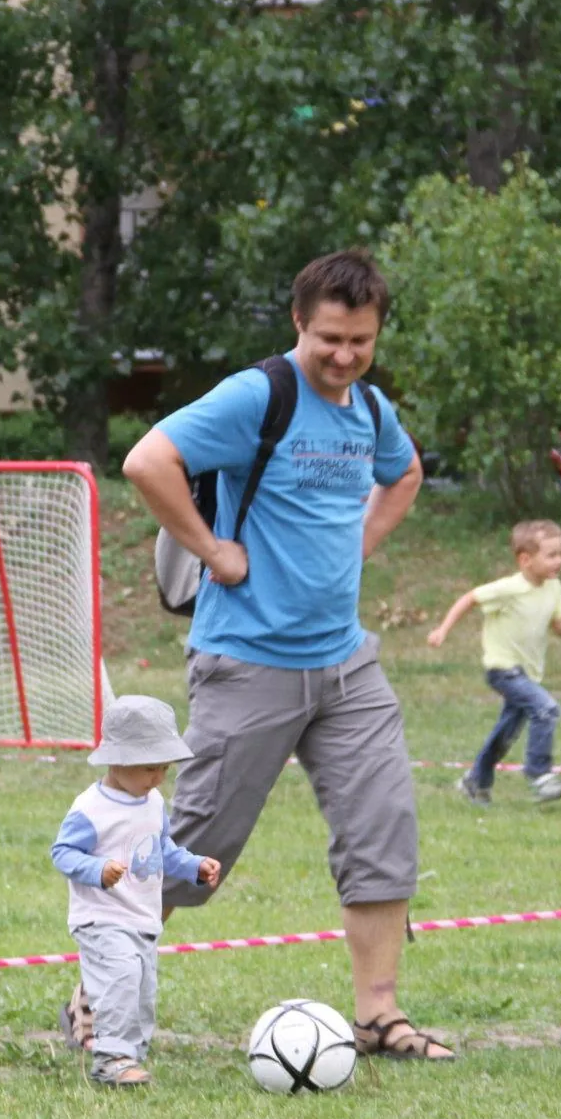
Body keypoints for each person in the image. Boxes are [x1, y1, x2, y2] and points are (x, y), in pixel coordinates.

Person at [111, 248, 454, 1061]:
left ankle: (379, 1014)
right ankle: (97, 999)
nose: (344, 356)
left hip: (347, 665)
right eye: (330, 337)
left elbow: (402, 475)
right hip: (247, 661)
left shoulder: (369, 410)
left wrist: (359, 543)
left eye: (360, 341)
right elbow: (147, 460)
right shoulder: (257, 395)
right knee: (195, 851)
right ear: (300, 322)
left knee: (384, 829)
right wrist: (212, 549)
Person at [51, 696, 221, 1088]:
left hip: (142, 916)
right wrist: (97, 870)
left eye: (164, 767)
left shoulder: (153, 801)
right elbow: (62, 853)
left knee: (143, 990)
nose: (158, 777)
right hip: (101, 917)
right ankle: (112, 1059)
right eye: (149, 768)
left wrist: (193, 865)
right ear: (117, 760)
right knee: (121, 980)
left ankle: (132, 1056)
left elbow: (160, 850)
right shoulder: (91, 809)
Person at [426, 518, 561, 805]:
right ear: (525, 560)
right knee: (546, 709)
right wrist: (442, 630)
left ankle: (475, 781)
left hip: (528, 674)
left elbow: (560, 630)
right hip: (503, 669)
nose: (559, 561)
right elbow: (470, 598)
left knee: (507, 732)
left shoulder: (553, 588)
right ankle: (540, 776)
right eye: (551, 555)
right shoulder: (509, 588)